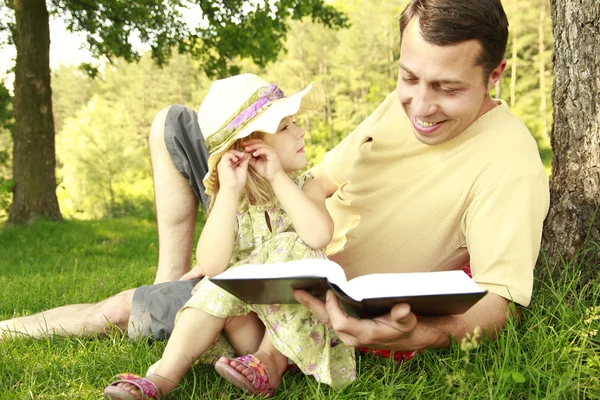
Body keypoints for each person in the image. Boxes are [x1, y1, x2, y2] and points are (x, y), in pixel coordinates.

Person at [1, 0, 549, 371]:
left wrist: (422, 336)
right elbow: (324, 182)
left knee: (119, 309)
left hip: (301, 301)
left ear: (495, 74)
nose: (421, 106)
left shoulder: (508, 162)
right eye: (409, 77)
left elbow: (504, 304)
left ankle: (10, 329)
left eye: (448, 88)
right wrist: (260, 235)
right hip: (282, 249)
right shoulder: (397, 107)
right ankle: (176, 274)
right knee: (174, 125)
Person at [103, 74, 355, 400]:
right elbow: (211, 263)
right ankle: (161, 378)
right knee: (214, 284)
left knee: (290, 245)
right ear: (250, 145)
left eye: (294, 124)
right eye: (285, 127)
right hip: (248, 330)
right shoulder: (233, 202)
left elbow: (318, 236)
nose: (300, 131)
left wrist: (277, 176)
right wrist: (229, 192)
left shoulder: (306, 186)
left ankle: (270, 366)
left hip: (297, 333)